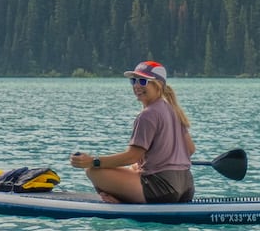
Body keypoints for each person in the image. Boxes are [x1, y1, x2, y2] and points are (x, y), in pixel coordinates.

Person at [69, 60, 195, 204]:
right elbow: (190, 149)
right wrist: (146, 164)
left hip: (161, 191)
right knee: (133, 169)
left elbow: (132, 156)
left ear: (158, 84)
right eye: (133, 80)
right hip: (187, 186)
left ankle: (120, 202)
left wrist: (93, 161)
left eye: (142, 81)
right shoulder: (173, 110)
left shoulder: (148, 115)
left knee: (93, 171)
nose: (136, 85)